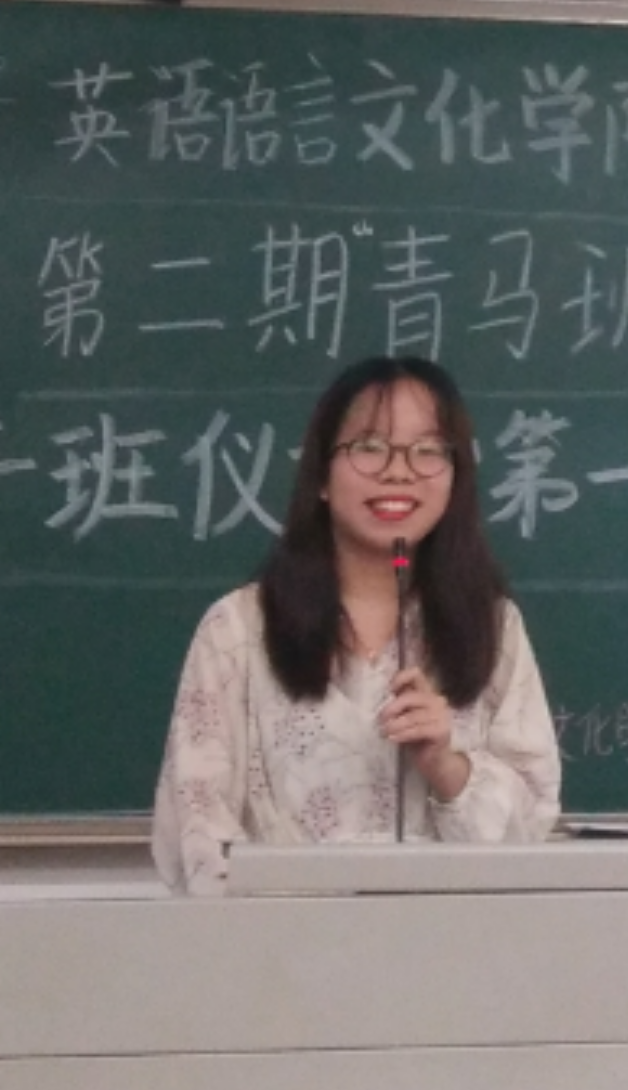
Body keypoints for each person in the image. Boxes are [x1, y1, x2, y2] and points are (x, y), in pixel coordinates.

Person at [154, 354, 559, 892]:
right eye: (369, 447)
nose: (399, 471)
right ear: (322, 477)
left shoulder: (493, 627)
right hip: (281, 937)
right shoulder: (238, 629)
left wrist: (447, 767)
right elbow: (197, 826)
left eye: (428, 451)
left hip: (450, 936)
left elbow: (533, 827)